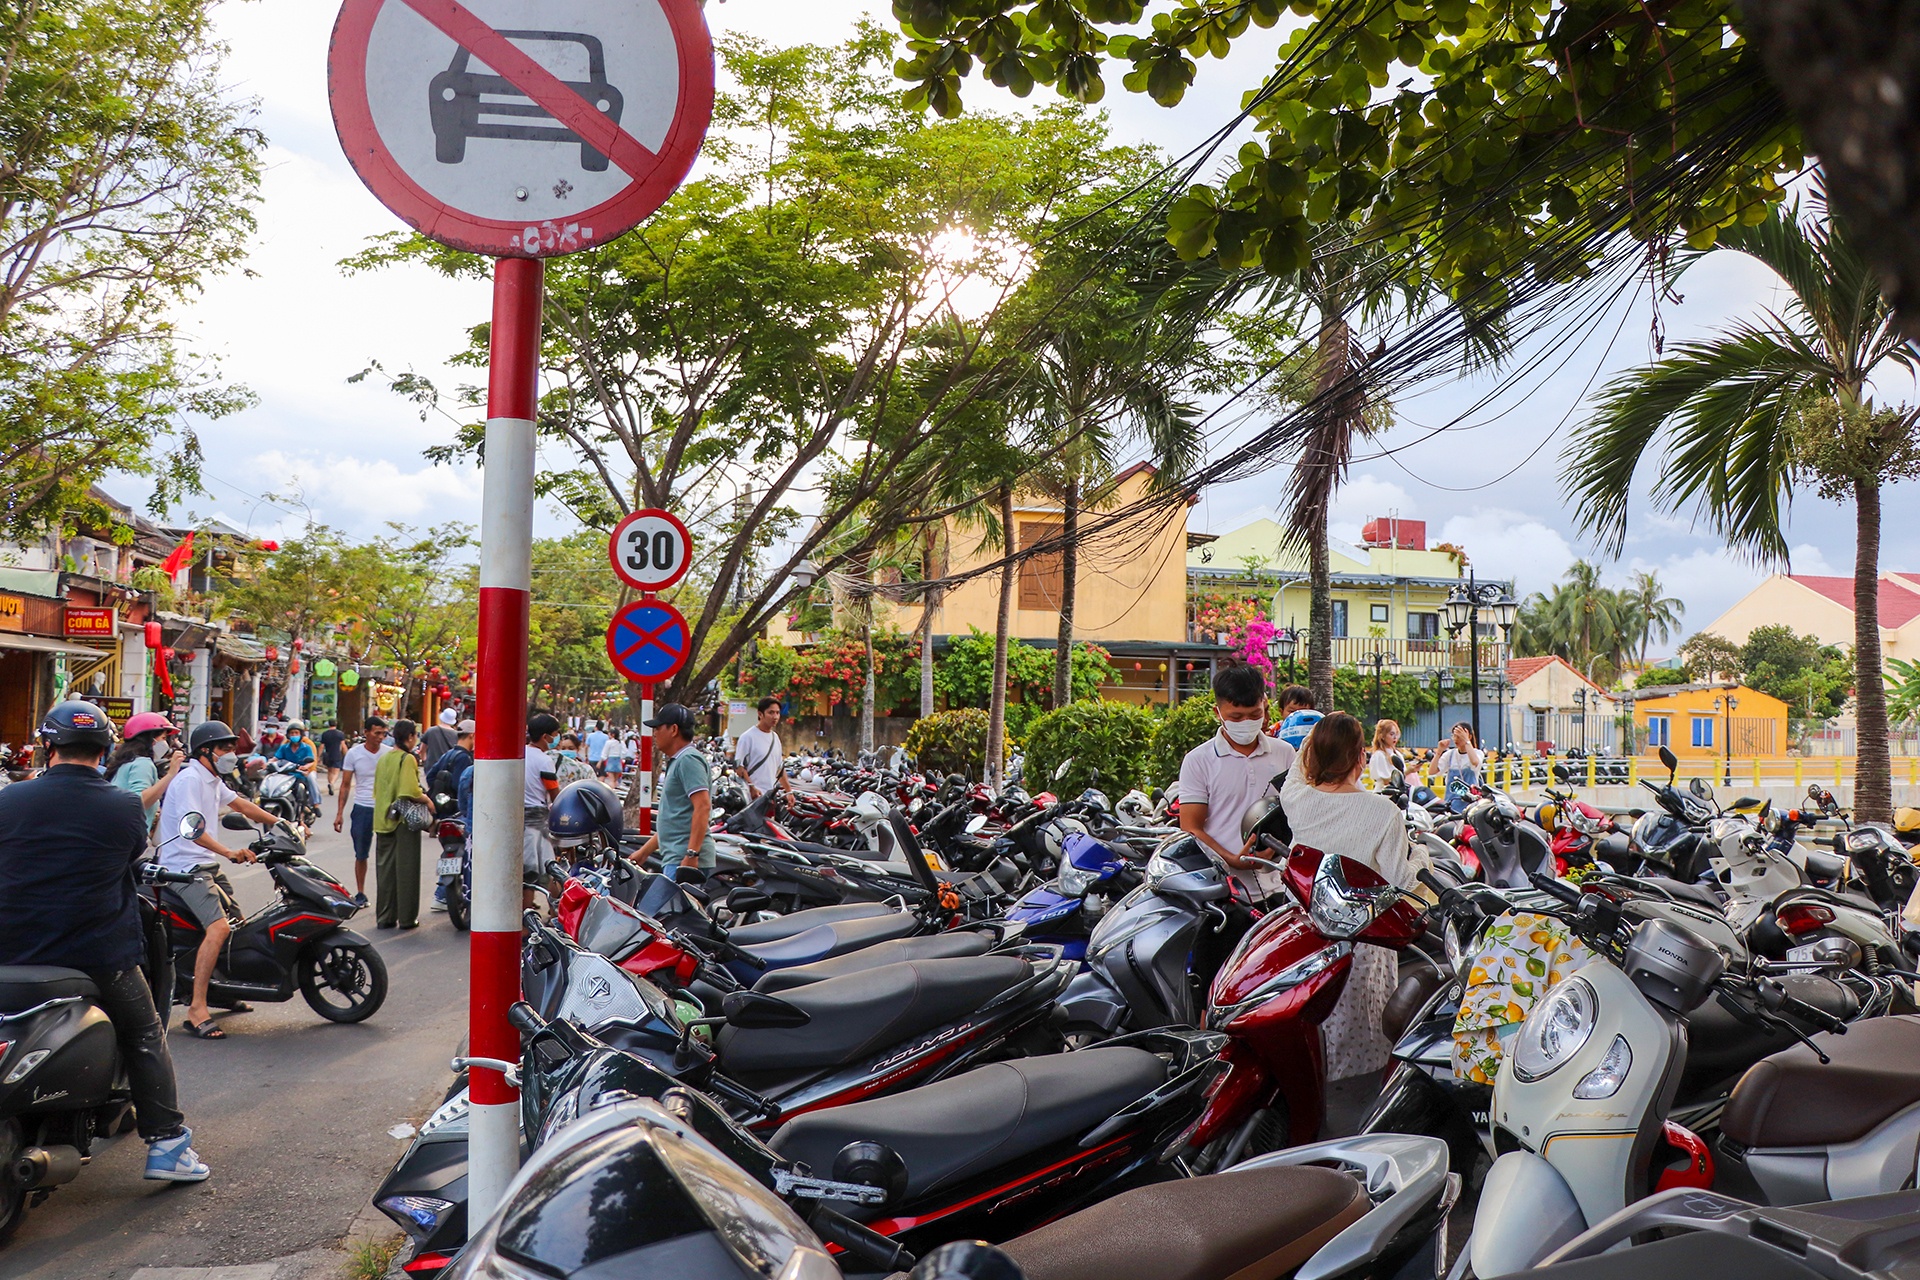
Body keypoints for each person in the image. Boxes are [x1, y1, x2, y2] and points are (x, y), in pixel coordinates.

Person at [0, 701, 211, 1181]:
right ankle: (167, 1147)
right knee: (143, 1031)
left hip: (11, 948)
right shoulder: (121, 806)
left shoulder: (10, 799)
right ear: (104, 750)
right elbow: (132, 857)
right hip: (96, 954)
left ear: (47, 747)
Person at [1281, 712, 1430, 1081]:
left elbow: (1297, 769)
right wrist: (1422, 855)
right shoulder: (1382, 811)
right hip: (1362, 940)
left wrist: (1316, 738)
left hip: (1308, 937)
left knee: (1317, 1025)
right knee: (1362, 1032)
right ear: (1361, 757)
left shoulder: (1297, 799)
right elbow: (1402, 880)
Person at [155, 719, 281, 1039]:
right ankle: (197, 1007)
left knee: (239, 924)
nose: (231, 754)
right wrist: (229, 852)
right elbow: (194, 830)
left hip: (204, 865)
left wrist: (281, 822)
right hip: (183, 868)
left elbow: (240, 804)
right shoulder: (189, 781)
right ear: (205, 751)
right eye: (225, 748)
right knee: (219, 927)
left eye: (232, 748)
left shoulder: (213, 779)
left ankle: (220, 989)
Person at [1176, 664, 1296, 901]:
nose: (1246, 722)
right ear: (1217, 713)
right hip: (1223, 891)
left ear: (1265, 706)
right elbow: (1191, 827)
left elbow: (1298, 812)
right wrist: (1230, 859)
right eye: (1236, 717)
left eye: (1254, 715)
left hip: (1279, 888)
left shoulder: (1284, 753)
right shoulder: (1198, 760)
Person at [632, 703, 710, 875]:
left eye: (658, 728)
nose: (654, 733)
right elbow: (675, 821)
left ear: (673, 730)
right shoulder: (679, 760)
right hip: (676, 857)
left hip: (683, 860)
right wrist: (643, 853)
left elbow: (703, 806)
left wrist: (692, 854)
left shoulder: (688, 760)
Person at [372, 719, 428, 929]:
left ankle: (385, 917)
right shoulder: (407, 759)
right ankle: (406, 918)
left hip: (382, 818)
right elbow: (409, 791)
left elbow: (378, 789)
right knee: (407, 870)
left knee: (385, 872)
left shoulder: (384, 758)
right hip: (403, 821)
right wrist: (428, 801)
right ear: (410, 737)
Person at [332, 717, 391, 906]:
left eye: (383, 733)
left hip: (385, 808)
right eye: (376, 733)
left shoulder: (389, 754)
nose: (380, 737)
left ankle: (386, 895)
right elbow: (345, 785)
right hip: (362, 808)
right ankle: (361, 892)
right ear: (366, 732)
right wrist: (339, 813)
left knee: (386, 855)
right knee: (361, 853)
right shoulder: (353, 754)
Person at [108, 711, 186, 827]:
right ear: (150, 739)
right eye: (163, 738)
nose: (165, 744)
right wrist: (171, 774)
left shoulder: (127, 762)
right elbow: (139, 801)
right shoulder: (143, 764)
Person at [524, 712, 563, 903]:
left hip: (516, 815)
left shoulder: (520, 753)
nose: (556, 738)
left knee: (525, 869)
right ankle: (556, 913)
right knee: (549, 868)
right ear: (545, 736)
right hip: (537, 817)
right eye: (555, 734)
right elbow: (554, 793)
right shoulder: (544, 760)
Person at [735, 697, 792, 801]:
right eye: (771, 712)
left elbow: (779, 769)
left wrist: (789, 792)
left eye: (777, 713)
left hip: (770, 796)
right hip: (752, 798)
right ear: (760, 714)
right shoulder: (748, 737)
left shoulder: (775, 738)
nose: (775, 717)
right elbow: (739, 768)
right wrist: (752, 787)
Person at [1435, 722, 1484, 812]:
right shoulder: (1450, 754)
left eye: (1459, 736)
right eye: (1454, 736)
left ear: (1469, 736)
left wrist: (1467, 741)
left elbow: (1474, 762)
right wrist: (1439, 752)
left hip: (1470, 804)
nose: (1456, 739)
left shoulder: (1477, 753)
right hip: (1451, 802)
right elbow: (1432, 771)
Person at [275, 720, 321, 811]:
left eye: (296, 733)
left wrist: (306, 767)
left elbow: (313, 760)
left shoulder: (308, 745)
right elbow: (277, 757)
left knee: (311, 779)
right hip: (288, 771)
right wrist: (268, 763)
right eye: (292, 733)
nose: (294, 735)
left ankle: (315, 804)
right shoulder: (285, 745)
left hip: (305, 771)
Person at [1274, 685, 1324, 750]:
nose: (1296, 716)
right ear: (1281, 712)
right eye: (1292, 711)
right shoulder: (1276, 729)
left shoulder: (1315, 728)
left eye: (1302, 711)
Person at [1367, 719, 1402, 788]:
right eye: (1391, 734)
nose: (1395, 737)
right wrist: (1408, 771)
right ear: (1382, 736)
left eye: (1396, 734)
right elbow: (1386, 781)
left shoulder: (1397, 754)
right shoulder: (1379, 755)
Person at [422, 708, 459, 772]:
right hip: (448, 768)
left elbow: (422, 748)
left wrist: (424, 759)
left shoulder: (431, 731)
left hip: (431, 766)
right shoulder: (456, 735)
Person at [319, 720, 347, 796]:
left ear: (329, 724)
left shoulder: (325, 734)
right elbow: (343, 745)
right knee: (336, 772)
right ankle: (332, 783)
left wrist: (318, 756)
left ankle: (330, 783)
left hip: (327, 755)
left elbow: (322, 746)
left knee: (329, 771)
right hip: (336, 754)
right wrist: (346, 754)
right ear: (336, 724)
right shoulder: (340, 734)